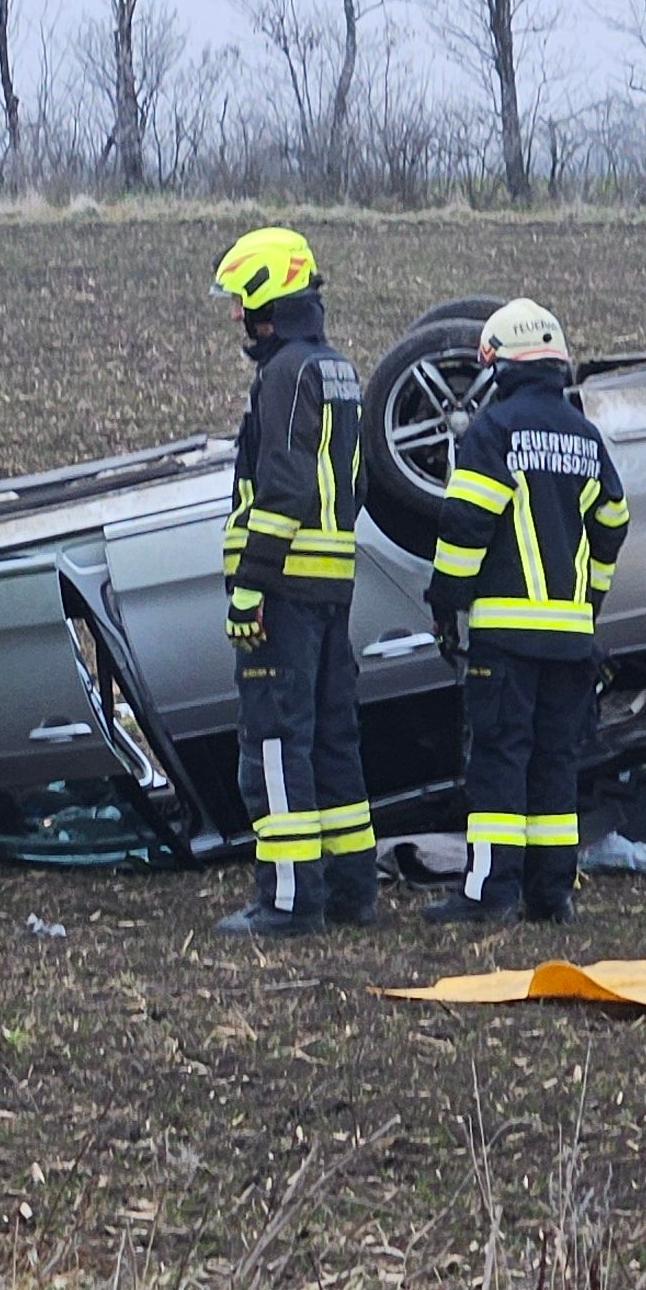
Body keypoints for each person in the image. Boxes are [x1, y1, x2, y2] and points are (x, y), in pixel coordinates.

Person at [428, 300, 629, 927]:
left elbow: (466, 526)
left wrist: (445, 602)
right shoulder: (584, 437)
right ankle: (551, 895)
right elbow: (614, 526)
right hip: (570, 642)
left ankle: (489, 894)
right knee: (553, 766)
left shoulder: (493, 432)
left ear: (498, 363)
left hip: (506, 639)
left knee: (498, 763)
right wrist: (587, 603)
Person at [209, 227, 374, 937]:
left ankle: (287, 900)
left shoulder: (284, 375)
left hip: (282, 590)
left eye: (241, 303)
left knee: (275, 742)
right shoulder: (338, 369)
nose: (239, 319)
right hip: (331, 586)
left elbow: (281, 487)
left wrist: (250, 583)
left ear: (264, 300)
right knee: (333, 740)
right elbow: (352, 486)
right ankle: (349, 892)